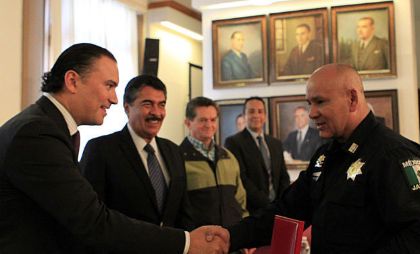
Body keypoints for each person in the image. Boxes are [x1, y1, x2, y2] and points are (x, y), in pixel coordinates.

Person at [0, 43, 228, 254]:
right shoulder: (38, 133)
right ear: (72, 81)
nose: (114, 99)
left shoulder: (45, 125)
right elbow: (93, 221)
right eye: (109, 86)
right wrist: (186, 242)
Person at [227, 64, 420, 253]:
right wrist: (229, 237)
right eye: (309, 103)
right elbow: (287, 210)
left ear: (352, 99)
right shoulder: (326, 156)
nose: (312, 113)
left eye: (320, 102)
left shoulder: (393, 153)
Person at [80, 74, 195, 250]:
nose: (156, 113)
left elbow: (183, 211)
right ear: (127, 108)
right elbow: (92, 218)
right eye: (147, 104)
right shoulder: (100, 150)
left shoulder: (174, 151)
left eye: (161, 104)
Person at [180, 96, 248, 228]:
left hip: (232, 239)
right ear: (188, 123)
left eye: (213, 120)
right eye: (203, 120)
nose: (209, 125)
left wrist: (245, 231)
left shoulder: (228, 157)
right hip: (200, 242)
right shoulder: (177, 158)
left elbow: (240, 200)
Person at [225, 97, 290, 214]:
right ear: (244, 115)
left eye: (260, 111)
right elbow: (242, 178)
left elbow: (283, 176)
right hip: (251, 210)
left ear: (265, 116)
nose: (256, 115)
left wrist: (281, 202)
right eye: (251, 111)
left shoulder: (275, 143)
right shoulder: (233, 142)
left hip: (278, 209)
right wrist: (267, 204)